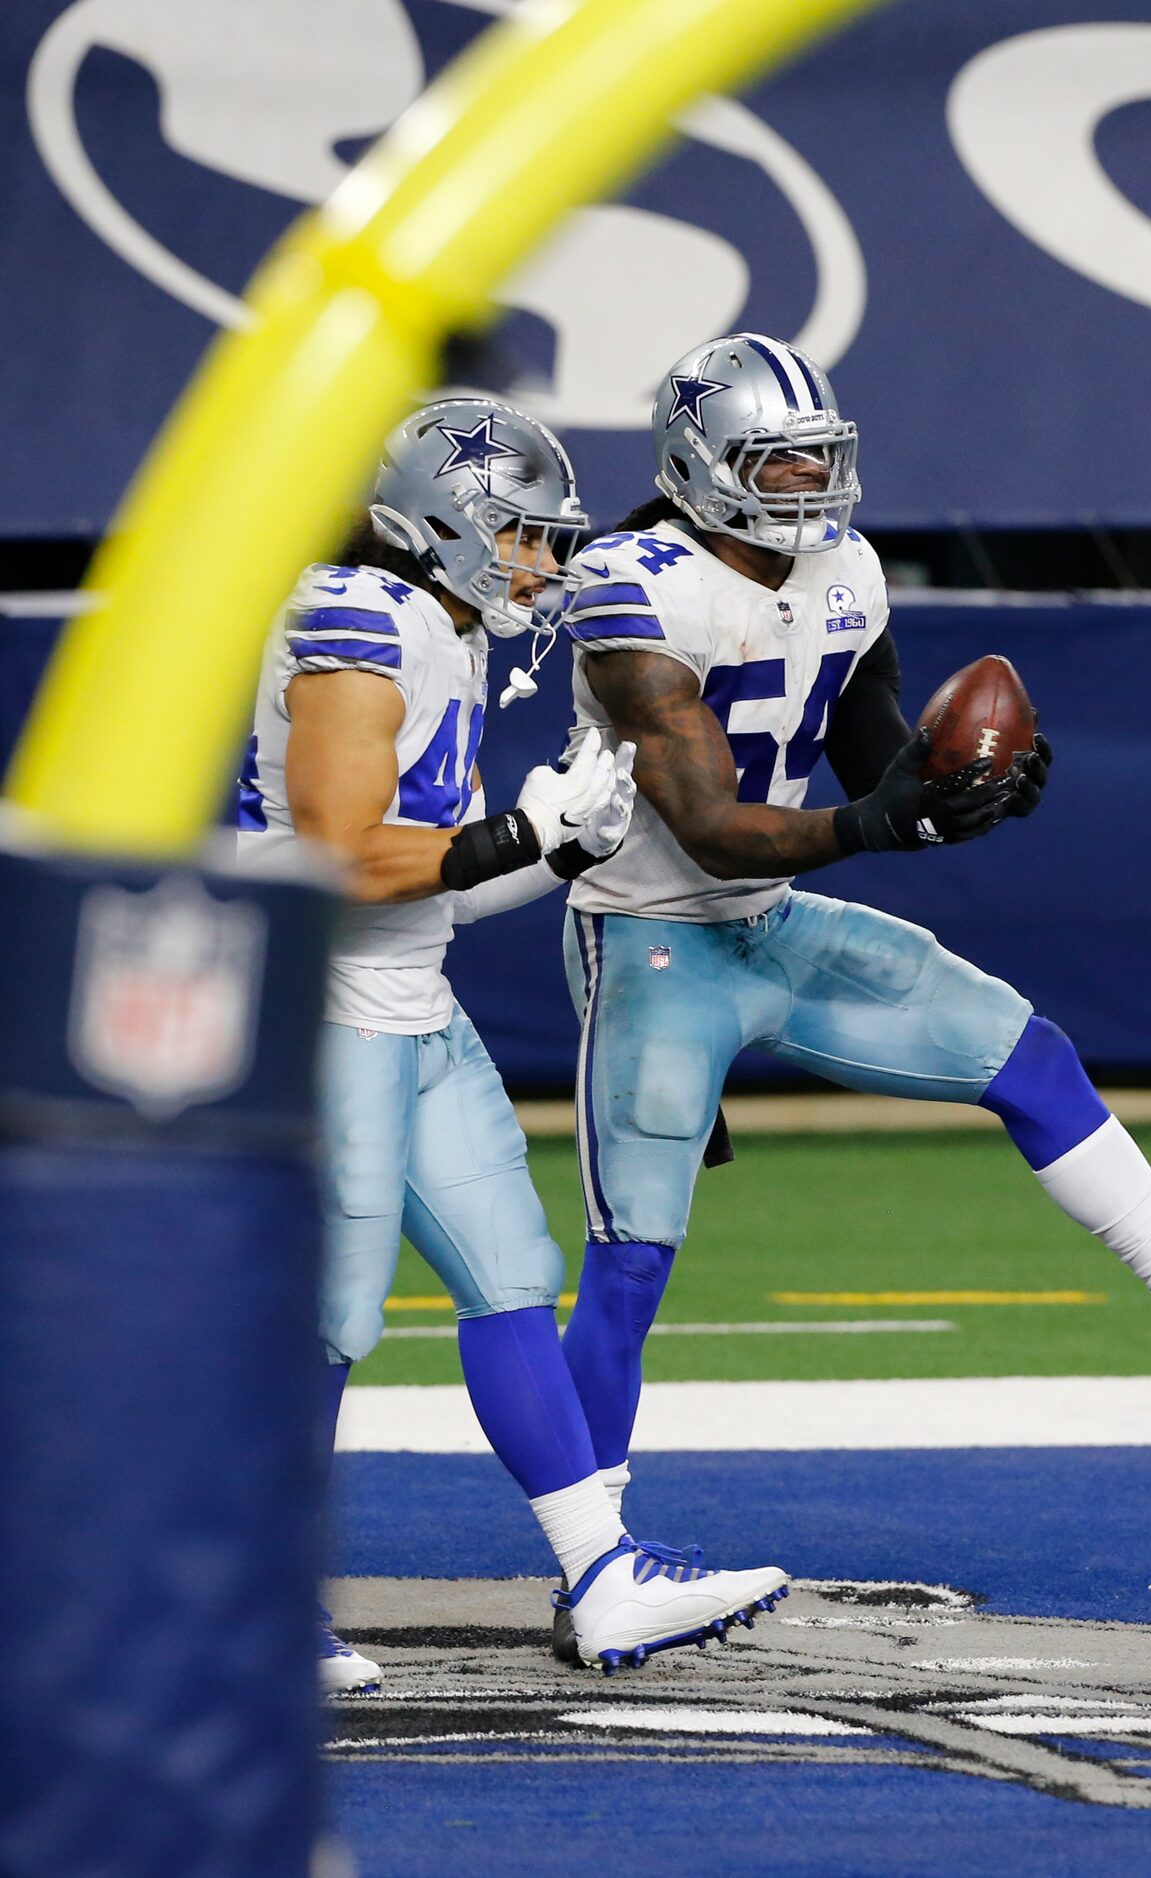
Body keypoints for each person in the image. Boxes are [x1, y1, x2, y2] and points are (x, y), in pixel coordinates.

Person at [547, 333, 1151, 1534]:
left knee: (1032, 1059)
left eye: (816, 460)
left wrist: (957, 788)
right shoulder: (637, 587)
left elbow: (868, 739)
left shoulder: (846, 566)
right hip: (649, 940)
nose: (807, 486)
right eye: (775, 464)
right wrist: (880, 821)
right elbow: (709, 833)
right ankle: (590, 1555)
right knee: (633, 1261)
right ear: (702, 466)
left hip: (769, 921)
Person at [236, 396, 786, 1692]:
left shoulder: (452, 632)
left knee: (508, 1277)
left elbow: (438, 882)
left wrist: (561, 850)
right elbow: (334, 856)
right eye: (527, 538)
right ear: (443, 523)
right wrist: (516, 838)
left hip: (410, 1003)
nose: (543, 566)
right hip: (319, 1012)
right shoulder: (358, 617)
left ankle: (603, 1578)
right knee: (325, 1318)